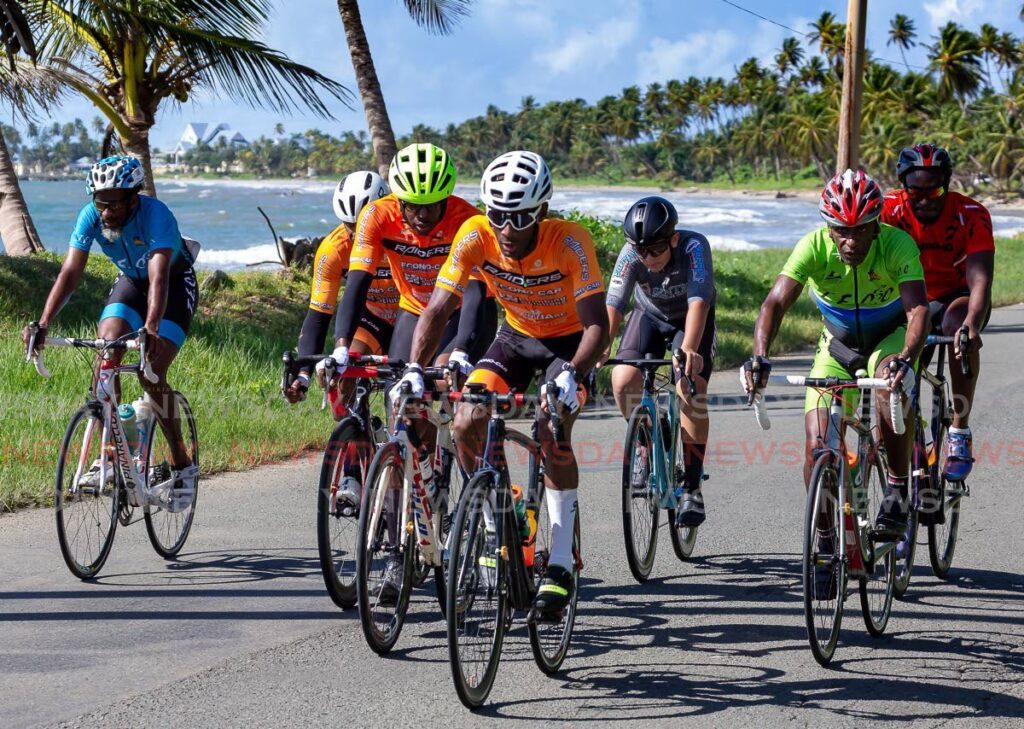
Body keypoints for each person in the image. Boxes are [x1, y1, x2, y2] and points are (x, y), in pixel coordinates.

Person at [402, 150, 609, 617]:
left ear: (543, 212)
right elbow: (437, 309)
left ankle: (558, 561)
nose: (508, 229)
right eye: (498, 215)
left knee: (551, 428)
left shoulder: (570, 241)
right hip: (514, 339)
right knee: (465, 420)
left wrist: (574, 372)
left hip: (568, 345)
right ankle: (501, 512)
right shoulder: (475, 234)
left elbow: (598, 326)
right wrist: (416, 368)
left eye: (520, 217)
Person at [742, 169, 929, 595]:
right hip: (838, 348)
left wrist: (905, 357)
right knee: (818, 447)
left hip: (889, 339)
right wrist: (759, 355)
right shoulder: (813, 246)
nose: (850, 241)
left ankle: (898, 489)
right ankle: (826, 543)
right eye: (841, 231)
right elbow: (774, 302)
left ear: (876, 224)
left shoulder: (897, 244)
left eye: (861, 231)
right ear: (828, 226)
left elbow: (918, 311)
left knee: (888, 389)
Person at [22, 155, 198, 506]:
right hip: (131, 283)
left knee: (151, 374)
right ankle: (112, 453)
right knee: (107, 350)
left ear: (133, 198)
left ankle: (182, 463)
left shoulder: (156, 215)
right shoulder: (92, 215)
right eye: (99, 202)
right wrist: (43, 324)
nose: (105, 211)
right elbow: (70, 273)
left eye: (113, 204)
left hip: (173, 289)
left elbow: (160, 277)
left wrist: (149, 329)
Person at [881, 143, 994, 483]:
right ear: (903, 185)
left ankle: (959, 432)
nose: (926, 199)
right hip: (908, 299)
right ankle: (903, 438)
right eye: (915, 190)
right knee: (898, 364)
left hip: (956, 299)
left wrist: (973, 324)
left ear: (948, 183)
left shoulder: (970, 213)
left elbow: (979, 279)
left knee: (958, 329)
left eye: (936, 190)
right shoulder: (889, 210)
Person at [603, 195, 717, 528]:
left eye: (655, 249)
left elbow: (699, 303)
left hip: (690, 320)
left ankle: (692, 488)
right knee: (623, 380)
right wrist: (600, 349)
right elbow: (614, 307)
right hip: (649, 316)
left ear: (673, 239)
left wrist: (690, 351)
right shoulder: (631, 254)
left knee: (688, 388)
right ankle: (645, 446)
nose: (647, 257)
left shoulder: (694, 247)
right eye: (641, 251)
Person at [283, 170, 395, 405]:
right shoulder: (333, 249)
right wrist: (304, 372)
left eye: (364, 223)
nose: (356, 233)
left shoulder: (405, 238)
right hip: (372, 317)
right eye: (348, 224)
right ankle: (356, 433)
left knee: (402, 401)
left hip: (411, 315)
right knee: (342, 381)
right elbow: (318, 315)